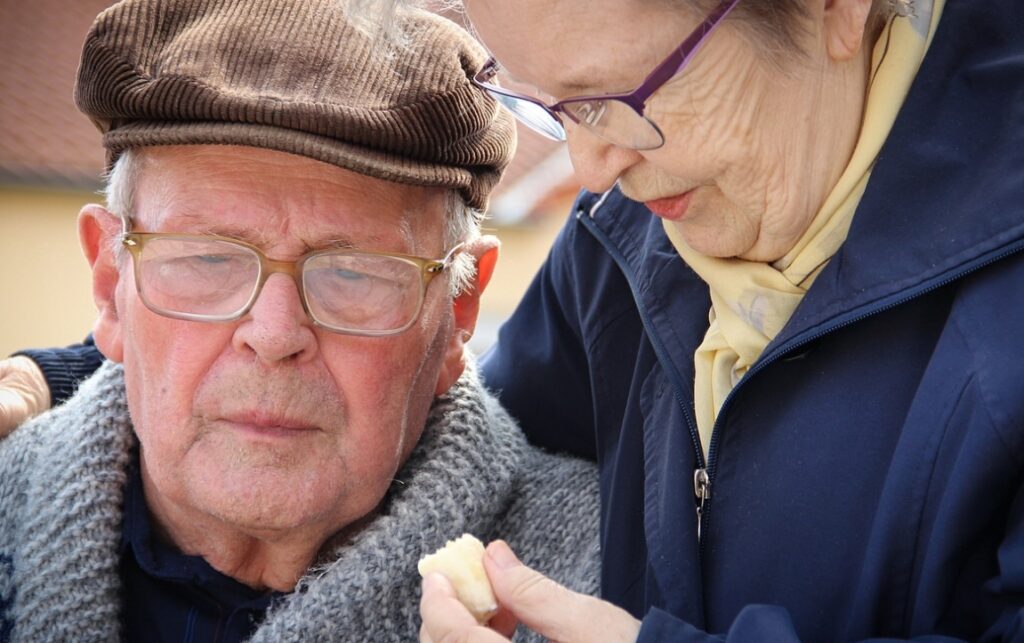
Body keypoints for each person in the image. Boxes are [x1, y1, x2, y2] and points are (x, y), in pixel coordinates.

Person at [5, 0, 1024, 640]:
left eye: (620, 93)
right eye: (553, 107)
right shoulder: (624, 247)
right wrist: (71, 380)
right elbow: (425, 394)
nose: (585, 175)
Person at [0, 0, 601, 641]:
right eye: (207, 258)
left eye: (353, 273)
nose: (276, 334)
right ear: (111, 282)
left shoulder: (608, 577)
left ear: (458, 310)